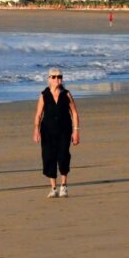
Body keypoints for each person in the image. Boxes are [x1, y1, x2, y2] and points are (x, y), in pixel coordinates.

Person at [32, 69, 80, 198]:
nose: (57, 79)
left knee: (63, 156)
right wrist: (36, 130)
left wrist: (76, 131)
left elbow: (74, 113)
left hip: (64, 130)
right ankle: (53, 188)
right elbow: (38, 114)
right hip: (47, 132)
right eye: (53, 77)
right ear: (49, 79)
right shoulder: (44, 95)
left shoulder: (66, 94)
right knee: (48, 157)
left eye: (59, 77)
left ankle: (63, 186)